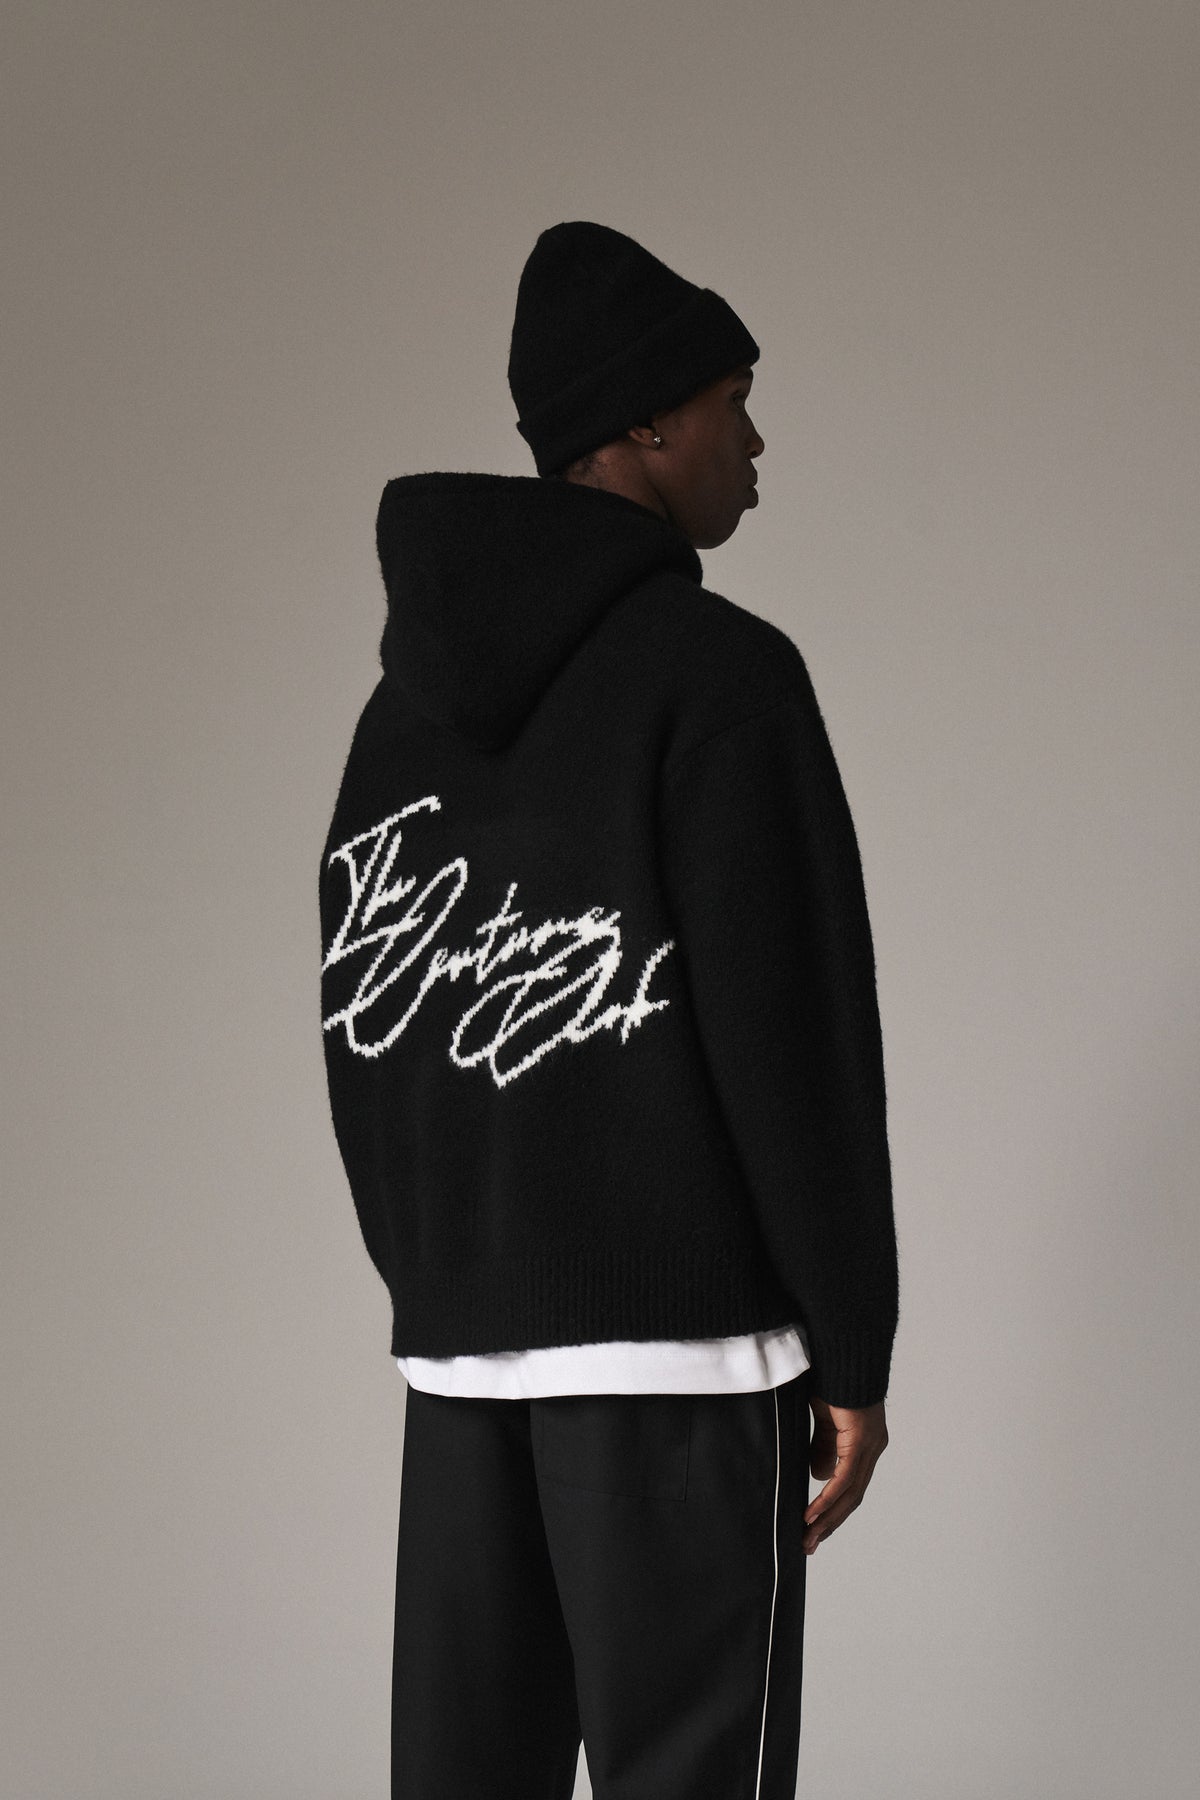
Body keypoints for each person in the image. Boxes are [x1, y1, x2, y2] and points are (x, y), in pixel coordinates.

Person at [318, 220, 900, 1800]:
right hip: (681, 1377)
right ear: (647, 422)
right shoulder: (722, 677)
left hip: (463, 1375)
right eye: (734, 401)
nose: (755, 442)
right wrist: (854, 1346)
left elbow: (366, 1022)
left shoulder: (399, 713)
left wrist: (445, 1277)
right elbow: (798, 1046)